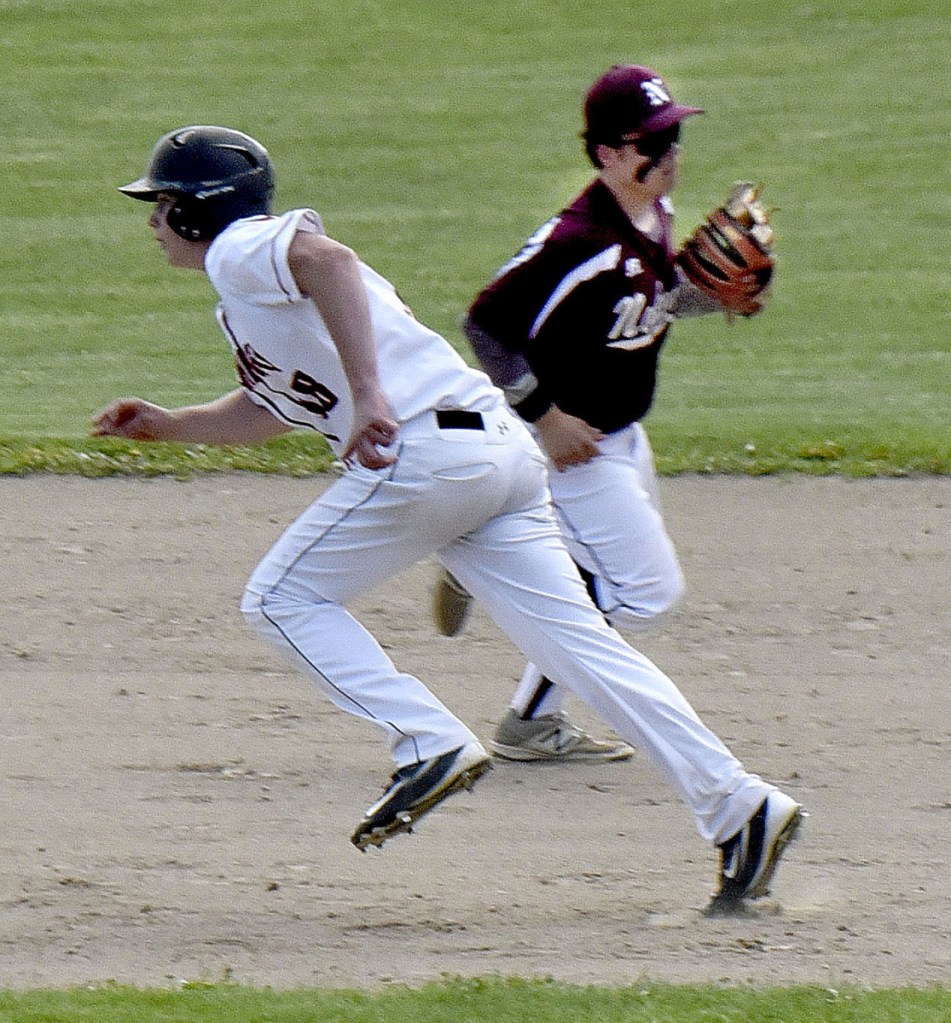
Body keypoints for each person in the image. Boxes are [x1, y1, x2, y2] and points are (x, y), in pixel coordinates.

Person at [93, 123, 801, 911]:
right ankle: (741, 805)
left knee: (279, 599)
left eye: (159, 205)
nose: (152, 222)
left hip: (429, 455)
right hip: (496, 456)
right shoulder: (248, 291)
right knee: (584, 651)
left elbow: (330, 261)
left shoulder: (240, 247)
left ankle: (427, 741)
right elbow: (279, 405)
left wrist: (370, 395)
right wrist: (169, 423)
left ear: (198, 212)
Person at [433, 64, 735, 765]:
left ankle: (526, 701)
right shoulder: (575, 241)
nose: (669, 157)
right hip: (571, 446)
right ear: (605, 153)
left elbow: (651, 302)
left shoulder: (651, 216)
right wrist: (544, 417)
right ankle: (490, 572)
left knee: (605, 582)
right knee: (644, 592)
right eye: (651, 143)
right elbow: (485, 325)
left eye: (673, 139)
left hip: (624, 433)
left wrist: (718, 293)